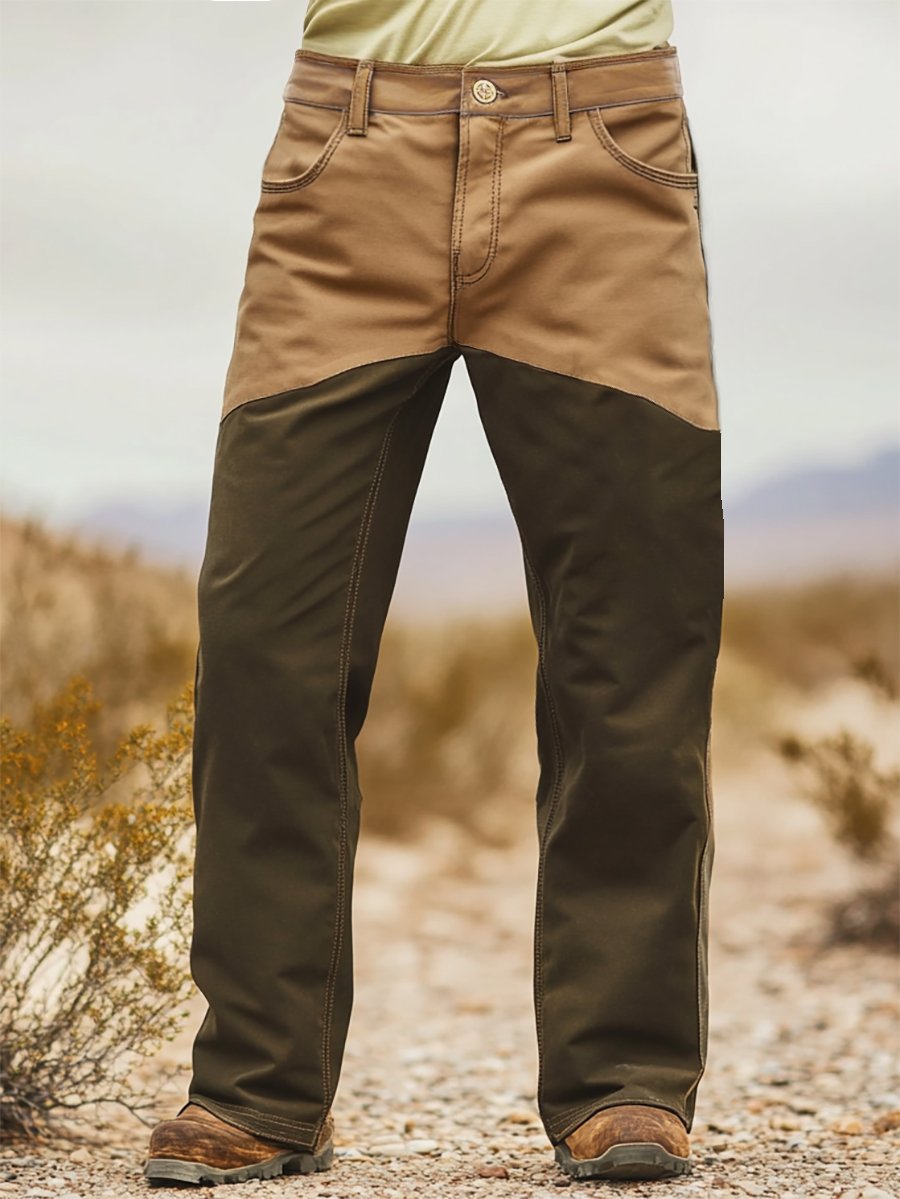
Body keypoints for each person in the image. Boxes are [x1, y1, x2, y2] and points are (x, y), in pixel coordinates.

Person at [143, 0, 723, 1185]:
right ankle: (260, 1084)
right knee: (263, 645)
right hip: (345, 156)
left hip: (605, 153)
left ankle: (625, 1073)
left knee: (630, 646)